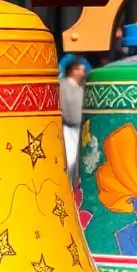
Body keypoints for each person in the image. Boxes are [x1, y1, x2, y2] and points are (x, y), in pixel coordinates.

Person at [59, 55, 89, 188]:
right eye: (79, 70)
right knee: (69, 159)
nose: (82, 73)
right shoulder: (63, 86)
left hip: (81, 129)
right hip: (67, 129)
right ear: (72, 70)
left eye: (83, 70)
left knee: (78, 160)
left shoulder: (81, 87)